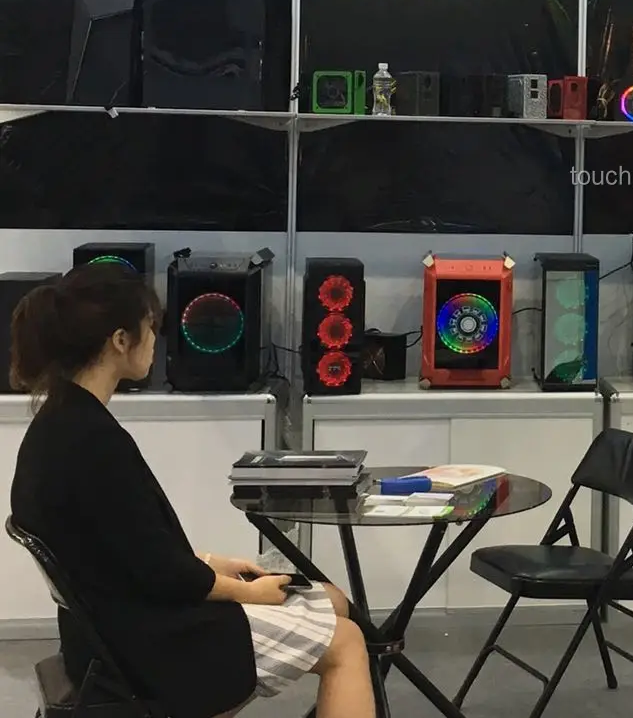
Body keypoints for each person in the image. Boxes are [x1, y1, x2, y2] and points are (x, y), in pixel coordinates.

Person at [8, 263, 375, 718]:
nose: (155, 340)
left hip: (114, 630)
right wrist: (247, 592)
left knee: (332, 601)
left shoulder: (59, 424)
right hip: (152, 645)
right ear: (120, 340)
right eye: (150, 327)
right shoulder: (91, 440)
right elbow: (161, 573)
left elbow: (127, 550)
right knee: (346, 641)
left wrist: (214, 564)